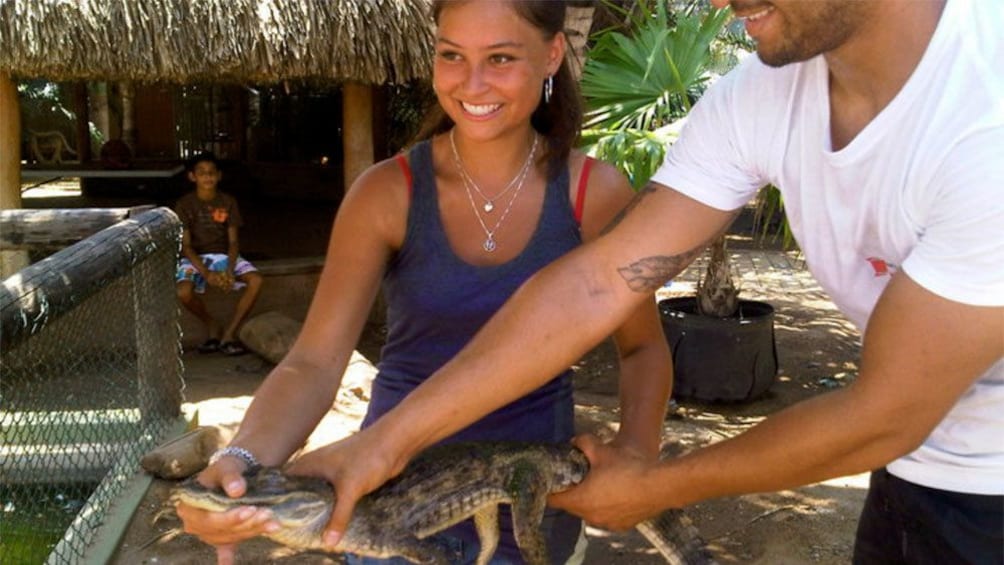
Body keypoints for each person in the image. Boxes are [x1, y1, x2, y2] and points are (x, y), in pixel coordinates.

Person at [282, 0, 1003, 563]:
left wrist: (654, 484)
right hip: (915, 476)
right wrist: (386, 442)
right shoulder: (763, 95)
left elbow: (884, 411)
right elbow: (601, 282)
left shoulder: (985, 110)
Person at [175, 1, 672, 563]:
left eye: (501, 57)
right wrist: (242, 463)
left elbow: (643, 347)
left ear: (553, 54)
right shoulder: (386, 193)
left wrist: (635, 453)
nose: (473, 82)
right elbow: (312, 362)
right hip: (386, 497)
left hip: (528, 496)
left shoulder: (593, 193)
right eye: (451, 55)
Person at [175, 152, 263, 356]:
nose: (208, 177)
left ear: (219, 176)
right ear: (192, 177)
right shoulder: (184, 204)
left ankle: (229, 335)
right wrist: (206, 273)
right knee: (183, 292)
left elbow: (233, 242)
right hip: (195, 257)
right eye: (202, 173)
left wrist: (229, 270)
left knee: (256, 280)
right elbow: (186, 247)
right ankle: (212, 325)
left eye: (212, 172)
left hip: (224, 255)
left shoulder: (228, 201)